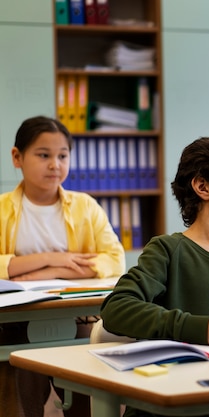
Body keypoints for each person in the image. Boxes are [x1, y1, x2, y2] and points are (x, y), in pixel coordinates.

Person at [100, 136, 209, 417]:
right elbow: (116, 308)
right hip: (167, 407)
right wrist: (204, 330)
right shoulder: (168, 251)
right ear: (202, 186)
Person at [0, 115, 126, 417]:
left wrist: (45, 272)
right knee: (20, 366)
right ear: (17, 157)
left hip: (74, 313)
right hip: (13, 318)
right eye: (43, 155)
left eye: (63, 156)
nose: (55, 164)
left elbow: (114, 260)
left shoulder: (85, 206)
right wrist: (52, 258)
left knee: (85, 363)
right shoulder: (2, 208)